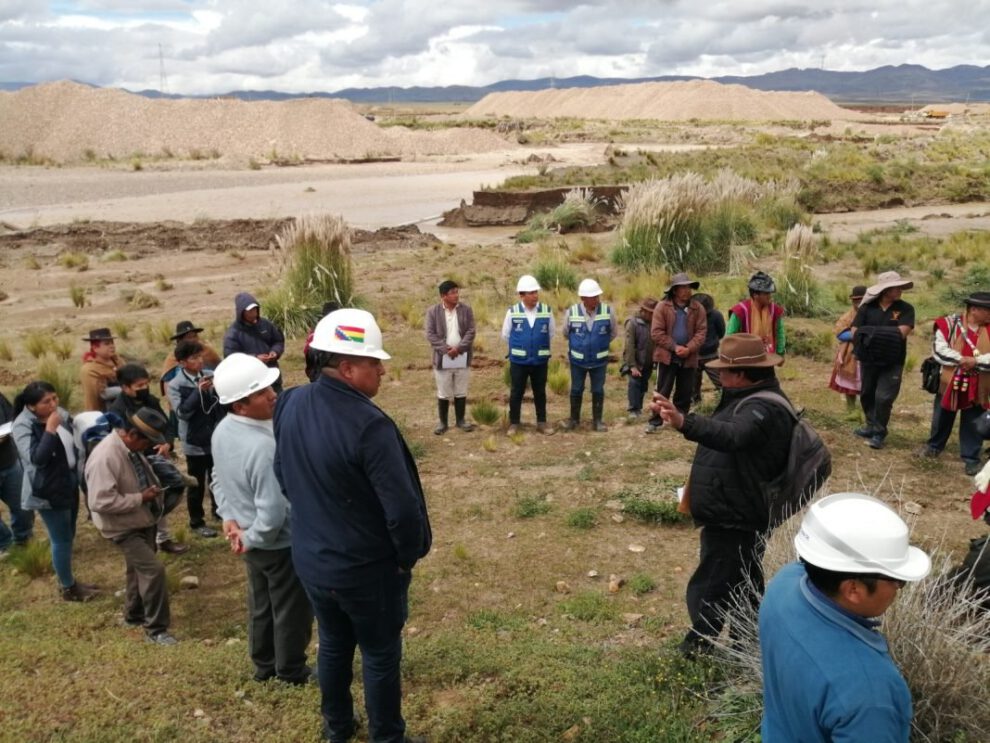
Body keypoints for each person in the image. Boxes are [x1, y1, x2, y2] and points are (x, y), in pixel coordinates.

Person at [274, 308, 431, 743]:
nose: (381, 370)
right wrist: (405, 558)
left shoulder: (290, 401)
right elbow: (402, 511)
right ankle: (387, 737)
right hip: (366, 570)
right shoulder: (370, 425)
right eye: (372, 363)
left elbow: (283, 474)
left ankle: (337, 729)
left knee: (334, 644)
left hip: (313, 562)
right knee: (380, 654)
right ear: (345, 367)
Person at [650, 333, 794, 657]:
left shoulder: (762, 408)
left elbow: (732, 435)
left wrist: (683, 421)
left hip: (738, 514)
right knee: (744, 581)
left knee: (711, 584)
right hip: (736, 507)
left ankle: (696, 647)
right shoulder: (748, 396)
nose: (718, 375)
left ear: (742, 374)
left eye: (724, 371)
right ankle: (750, 642)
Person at [760, 492, 931, 742]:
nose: (898, 588)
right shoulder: (870, 695)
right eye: (897, 579)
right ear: (853, 589)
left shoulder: (783, 585)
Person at [212, 354, 313, 685]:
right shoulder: (262, 446)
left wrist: (229, 517)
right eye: (262, 392)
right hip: (274, 543)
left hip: (246, 536)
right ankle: (290, 671)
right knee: (290, 610)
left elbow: (218, 478)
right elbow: (272, 513)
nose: (273, 395)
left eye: (271, 387)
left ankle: (264, 665)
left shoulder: (223, 431)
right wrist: (251, 538)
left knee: (261, 605)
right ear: (240, 405)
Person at [86, 407, 177, 645]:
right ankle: (156, 630)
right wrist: (141, 498)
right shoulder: (105, 457)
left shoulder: (128, 448)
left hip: (142, 519)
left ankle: (133, 615)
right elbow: (99, 501)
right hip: (122, 527)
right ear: (133, 435)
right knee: (153, 570)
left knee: (136, 569)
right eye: (147, 442)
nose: (148, 447)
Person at [12, 381, 96, 601]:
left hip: (68, 481)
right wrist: (49, 429)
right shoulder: (23, 425)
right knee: (61, 539)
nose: (53, 404)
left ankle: (69, 579)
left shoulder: (60, 414)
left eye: (55, 398)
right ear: (31, 406)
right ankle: (67, 588)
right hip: (46, 489)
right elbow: (37, 459)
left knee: (69, 531)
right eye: (46, 401)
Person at [110, 364, 190, 555]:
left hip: (156, 457)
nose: (144, 388)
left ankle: (163, 538)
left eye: (146, 383)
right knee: (141, 503)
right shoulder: (117, 410)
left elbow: (167, 426)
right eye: (139, 385)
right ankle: (145, 543)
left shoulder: (151, 401)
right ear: (125, 387)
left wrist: (167, 445)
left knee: (160, 497)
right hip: (133, 462)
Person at [918, 291, 990, 476]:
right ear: (974, 309)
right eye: (987, 310)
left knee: (974, 420)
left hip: (980, 384)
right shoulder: (948, 324)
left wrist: (976, 361)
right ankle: (934, 446)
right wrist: (963, 360)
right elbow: (939, 351)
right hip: (950, 380)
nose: (989, 314)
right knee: (942, 415)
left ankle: (971, 457)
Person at [851, 271, 915, 450]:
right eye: (896, 287)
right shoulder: (867, 308)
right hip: (868, 360)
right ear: (886, 290)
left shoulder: (906, 309)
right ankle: (870, 425)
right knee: (867, 394)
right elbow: (855, 331)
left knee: (884, 398)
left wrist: (869, 333)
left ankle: (880, 432)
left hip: (893, 361)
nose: (900, 289)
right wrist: (885, 335)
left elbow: (902, 333)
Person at [166, 341, 225, 538]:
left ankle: (219, 512)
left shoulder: (209, 375)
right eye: (193, 358)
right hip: (194, 441)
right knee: (196, 483)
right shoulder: (174, 385)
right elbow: (182, 413)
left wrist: (216, 388)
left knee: (217, 478)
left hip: (214, 436)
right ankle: (196, 521)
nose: (199, 361)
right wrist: (197, 391)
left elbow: (219, 403)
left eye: (200, 356)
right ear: (182, 363)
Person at [645, 273, 707, 434]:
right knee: (662, 390)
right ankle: (655, 420)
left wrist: (689, 348)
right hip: (667, 356)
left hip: (689, 356)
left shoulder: (697, 308)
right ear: (674, 290)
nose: (687, 291)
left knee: (685, 390)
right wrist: (674, 347)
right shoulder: (662, 307)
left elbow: (701, 332)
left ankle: (680, 420)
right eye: (683, 287)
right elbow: (656, 333)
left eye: (688, 287)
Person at [502, 275, 556, 436]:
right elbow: (505, 335)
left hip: (540, 361)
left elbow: (551, 333)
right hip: (519, 361)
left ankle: (542, 422)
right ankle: (514, 423)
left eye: (536, 292)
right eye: (531, 293)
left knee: (540, 392)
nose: (535, 295)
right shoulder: (512, 312)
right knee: (516, 392)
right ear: (522, 295)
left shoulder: (546, 311)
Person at [562, 278, 617, 432]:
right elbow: (566, 333)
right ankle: (574, 420)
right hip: (578, 362)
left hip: (599, 361)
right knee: (576, 389)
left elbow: (613, 333)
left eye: (597, 296)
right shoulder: (571, 312)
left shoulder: (608, 311)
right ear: (583, 298)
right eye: (593, 297)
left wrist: (599, 344)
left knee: (598, 390)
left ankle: (598, 421)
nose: (597, 300)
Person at [425, 280, 477, 435]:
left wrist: (459, 348)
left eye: (457, 291)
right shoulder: (433, 312)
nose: (456, 295)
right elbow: (430, 334)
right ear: (443, 296)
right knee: (443, 391)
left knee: (461, 390)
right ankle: (443, 422)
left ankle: (460, 420)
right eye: (452, 292)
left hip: (462, 356)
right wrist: (445, 349)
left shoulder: (466, 310)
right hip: (442, 358)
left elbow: (471, 331)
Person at [223, 292, 285, 394]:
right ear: (241, 312)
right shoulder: (233, 334)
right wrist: (255, 359)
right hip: (251, 383)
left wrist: (275, 351)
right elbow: (231, 358)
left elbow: (278, 340)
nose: (254, 313)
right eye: (250, 311)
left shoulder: (265, 324)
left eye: (255, 309)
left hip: (273, 377)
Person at [0, 391, 34, 555]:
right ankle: (4, 544)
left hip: (8, 461)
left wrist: (8, 430)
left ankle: (23, 538)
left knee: (24, 505)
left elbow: (12, 416)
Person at [726, 271, 786, 358]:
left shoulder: (775, 310)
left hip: (768, 358)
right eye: (766, 293)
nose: (769, 296)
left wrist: (780, 353)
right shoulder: (740, 311)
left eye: (770, 293)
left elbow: (780, 332)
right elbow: (730, 336)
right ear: (755, 295)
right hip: (746, 359)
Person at [828, 285, 867, 416]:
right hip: (850, 355)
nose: (858, 303)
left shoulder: (874, 314)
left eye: (860, 300)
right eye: (855, 300)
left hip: (869, 354)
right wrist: (858, 334)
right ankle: (851, 411)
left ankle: (867, 411)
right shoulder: (848, 316)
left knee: (867, 384)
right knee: (850, 384)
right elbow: (839, 333)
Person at [160, 321, 222, 396]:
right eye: (189, 337)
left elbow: (219, 369)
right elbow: (167, 385)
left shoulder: (207, 351)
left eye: (195, 336)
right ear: (180, 341)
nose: (193, 339)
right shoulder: (172, 358)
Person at [621, 298, 658, 419]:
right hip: (635, 360)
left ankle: (639, 408)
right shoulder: (632, 323)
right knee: (634, 383)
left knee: (643, 384)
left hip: (648, 361)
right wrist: (632, 365)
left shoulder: (654, 323)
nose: (653, 315)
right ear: (643, 311)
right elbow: (629, 345)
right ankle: (633, 409)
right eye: (651, 312)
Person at [691, 293, 725, 404]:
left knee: (720, 381)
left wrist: (712, 343)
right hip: (694, 355)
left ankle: (724, 400)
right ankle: (695, 401)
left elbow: (721, 332)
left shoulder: (716, 315)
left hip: (711, 355)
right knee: (693, 383)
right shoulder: (690, 316)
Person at [79, 327, 121, 412]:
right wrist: (124, 390)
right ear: (95, 348)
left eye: (112, 343)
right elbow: (101, 394)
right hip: (102, 411)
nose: (112, 346)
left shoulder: (117, 360)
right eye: (107, 344)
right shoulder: (89, 369)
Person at [304, 301, 342, 382]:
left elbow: (307, 352)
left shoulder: (316, 330)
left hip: (318, 375)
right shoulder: (342, 331)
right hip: (325, 375)